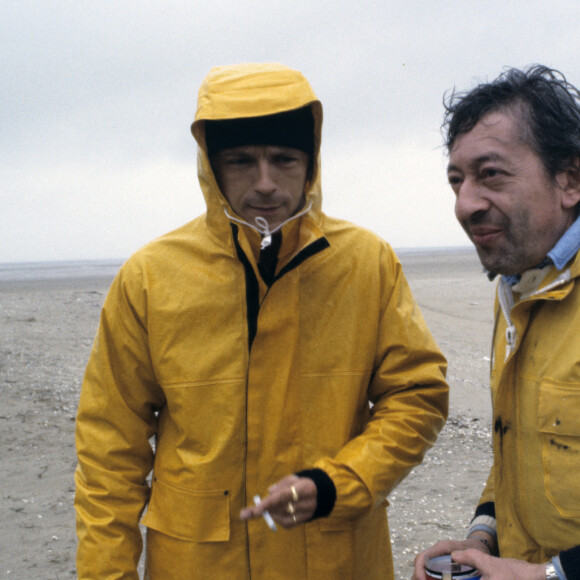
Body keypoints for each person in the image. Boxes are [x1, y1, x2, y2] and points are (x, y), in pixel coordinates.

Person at [74, 62, 448, 579]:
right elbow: (110, 449)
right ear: (212, 165)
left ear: (312, 162)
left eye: (284, 159)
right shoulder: (150, 278)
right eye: (243, 160)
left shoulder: (367, 263)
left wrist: (341, 482)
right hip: (197, 564)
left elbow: (418, 395)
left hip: (336, 560)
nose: (266, 183)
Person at [413, 65, 580, 580]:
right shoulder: (519, 285)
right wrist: (484, 535)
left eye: (491, 174)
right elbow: (530, 447)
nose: (465, 204)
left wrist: (553, 575)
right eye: (456, 180)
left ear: (570, 179)